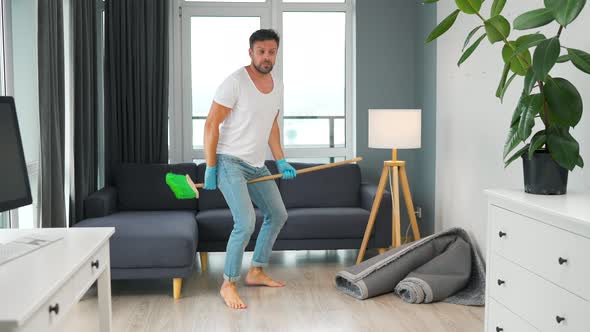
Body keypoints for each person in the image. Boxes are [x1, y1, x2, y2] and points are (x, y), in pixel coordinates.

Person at [202, 29, 296, 310]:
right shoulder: (235, 82)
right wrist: (211, 166)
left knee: (278, 214)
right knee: (245, 223)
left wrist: (281, 160)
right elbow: (210, 125)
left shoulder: (277, 84)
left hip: (257, 165)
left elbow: (272, 126)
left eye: (271, 52)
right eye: (261, 52)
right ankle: (228, 283)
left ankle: (256, 270)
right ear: (251, 53)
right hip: (230, 162)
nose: (267, 57)